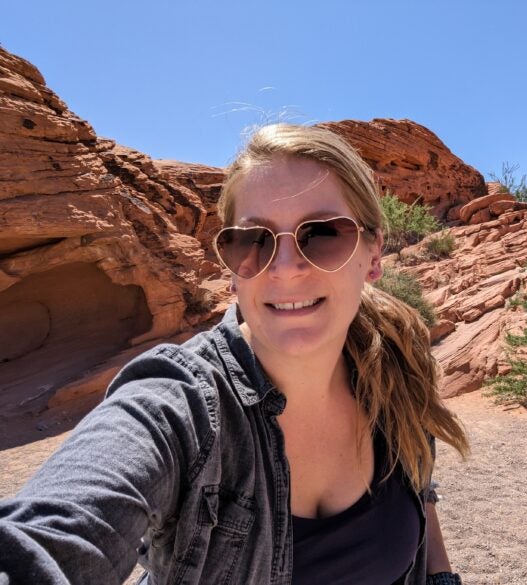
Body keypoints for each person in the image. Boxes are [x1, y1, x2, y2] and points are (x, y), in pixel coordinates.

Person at [0, 123, 470, 585]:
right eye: (252, 241)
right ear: (230, 269)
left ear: (373, 255)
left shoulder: (395, 361)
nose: (284, 269)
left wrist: (441, 576)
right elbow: (48, 539)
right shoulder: (180, 402)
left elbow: (418, 482)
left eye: (323, 234)